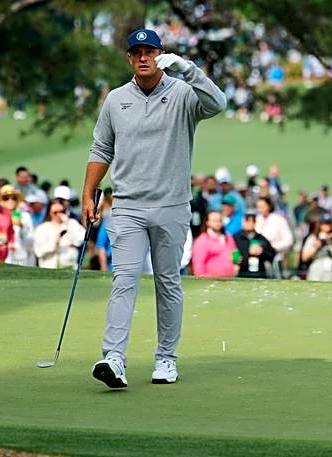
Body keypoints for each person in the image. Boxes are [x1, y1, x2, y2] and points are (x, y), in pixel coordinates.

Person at [82, 27, 226, 389]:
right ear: (129, 58)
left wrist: (188, 69)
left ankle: (166, 359)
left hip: (171, 204)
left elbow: (218, 104)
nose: (143, 57)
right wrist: (88, 193)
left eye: (150, 51)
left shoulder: (183, 94)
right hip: (127, 205)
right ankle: (114, 358)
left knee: (168, 282)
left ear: (161, 55)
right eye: (137, 52)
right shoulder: (116, 99)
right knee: (124, 280)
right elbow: (101, 149)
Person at [33, 200, 87, 269]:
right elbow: (38, 252)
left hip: (69, 266)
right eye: (55, 212)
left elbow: (80, 240)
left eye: (62, 211)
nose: (59, 214)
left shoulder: (72, 223)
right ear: (50, 213)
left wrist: (68, 224)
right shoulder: (42, 228)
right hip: (49, 267)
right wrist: (54, 243)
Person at [191, 210, 239, 278]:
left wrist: (236, 264)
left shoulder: (228, 237)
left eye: (219, 220)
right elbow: (198, 264)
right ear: (207, 222)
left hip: (230, 278)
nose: (217, 223)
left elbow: (234, 253)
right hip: (210, 280)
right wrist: (201, 278)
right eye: (214, 221)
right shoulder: (202, 240)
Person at [0, 184, 36, 266]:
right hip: (4, 258)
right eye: (6, 198)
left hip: (22, 258)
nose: (10, 201)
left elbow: (31, 242)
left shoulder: (25, 216)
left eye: (14, 198)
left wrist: (21, 227)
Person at [299, 216, 332, 281]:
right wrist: (317, 247)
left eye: (329, 223)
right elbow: (304, 257)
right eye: (325, 223)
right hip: (317, 267)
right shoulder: (314, 237)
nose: (327, 225)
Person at [233, 211, 275, 278]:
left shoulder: (261, 238)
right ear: (243, 222)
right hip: (241, 274)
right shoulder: (235, 238)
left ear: (255, 223)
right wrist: (246, 252)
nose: (250, 224)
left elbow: (271, 254)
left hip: (259, 274)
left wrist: (262, 251)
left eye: (252, 221)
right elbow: (228, 253)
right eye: (247, 221)